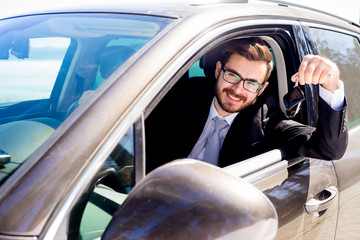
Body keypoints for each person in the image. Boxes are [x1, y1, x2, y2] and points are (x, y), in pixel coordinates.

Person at [145, 37, 348, 171]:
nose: (238, 89)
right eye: (232, 75)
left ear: (261, 89)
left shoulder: (266, 122)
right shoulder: (184, 95)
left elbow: (329, 149)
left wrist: (331, 85)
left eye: (251, 83)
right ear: (218, 70)